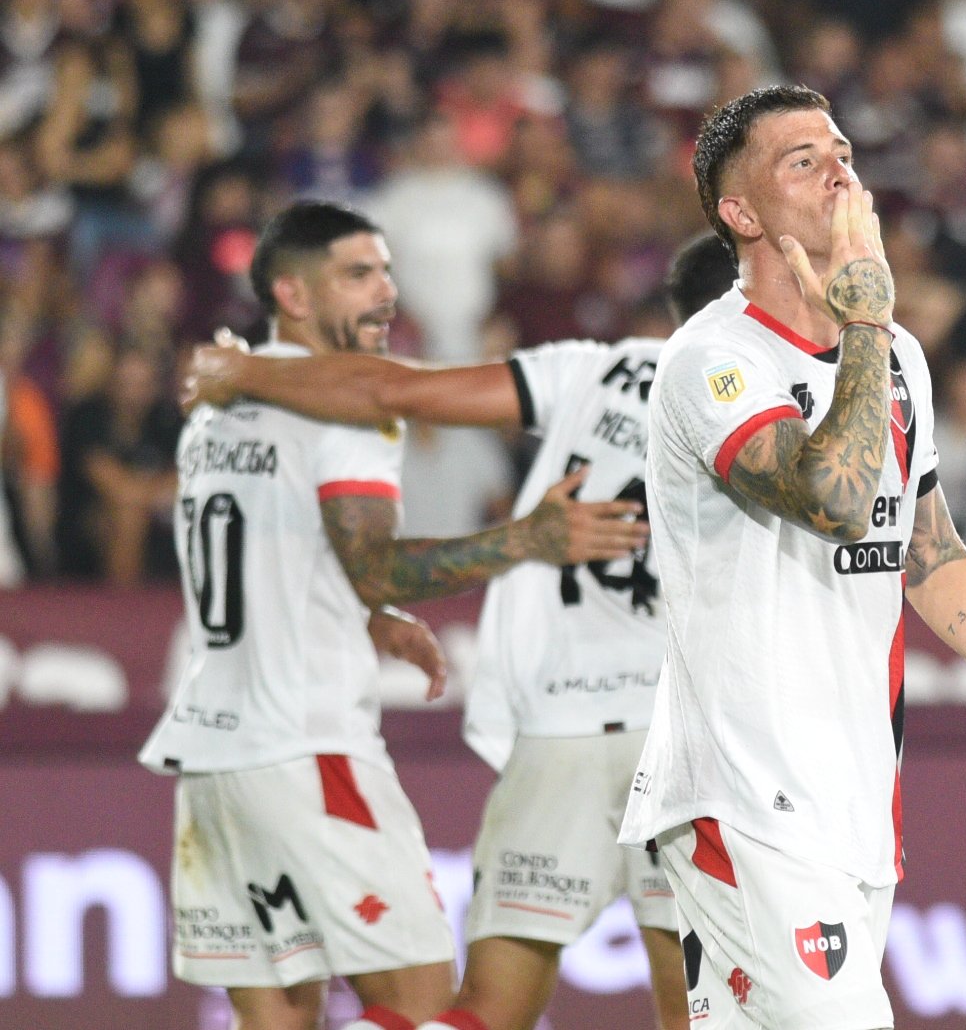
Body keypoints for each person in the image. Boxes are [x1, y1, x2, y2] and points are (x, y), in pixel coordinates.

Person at [615, 84, 966, 1030]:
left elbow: (927, 552)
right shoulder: (713, 361)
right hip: (747, 793)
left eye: (843, 152)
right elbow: (835, 501)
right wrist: (866, 324)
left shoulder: (895, 358)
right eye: (803, 160)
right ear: (742, 213)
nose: (841, 173)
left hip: (852, 795)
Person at [185, 231, 740, 1030]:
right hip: (683, 741)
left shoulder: (598, 369)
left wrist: (246, 373)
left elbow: (396, 389)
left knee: (484, 1013)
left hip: (558, 732)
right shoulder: (778, 404)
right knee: (696, 1010)